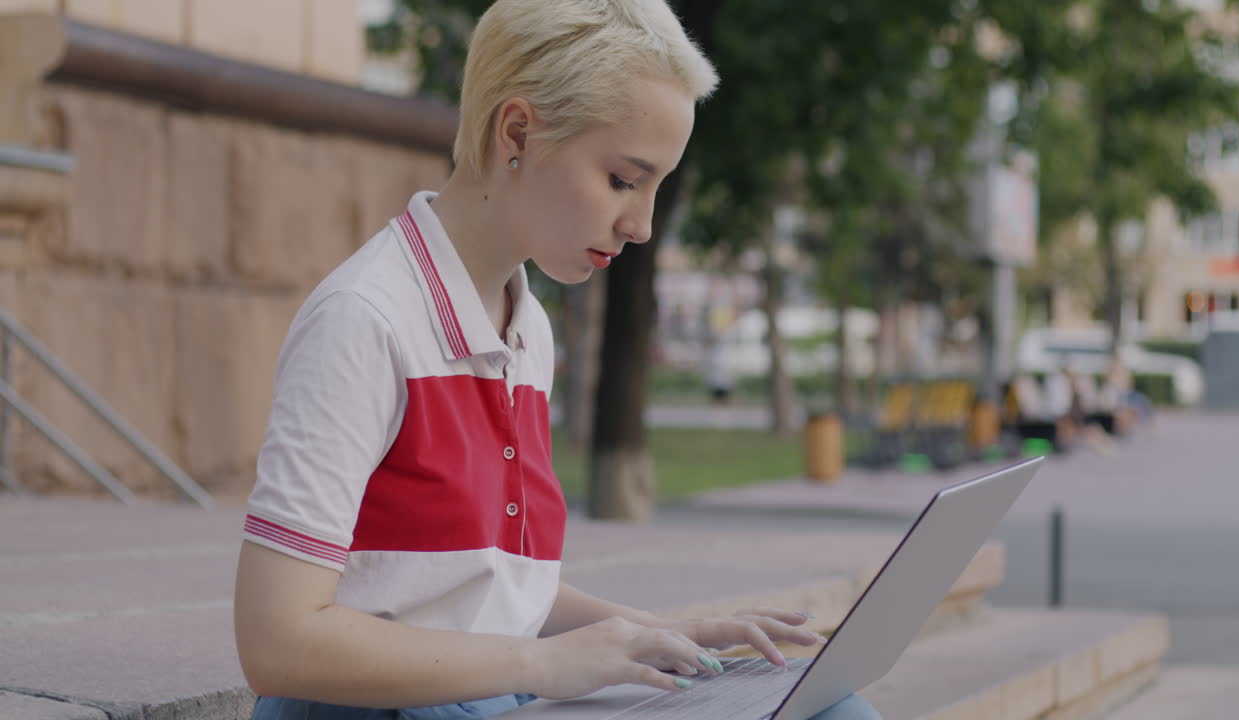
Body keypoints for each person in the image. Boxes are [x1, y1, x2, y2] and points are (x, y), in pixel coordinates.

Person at [232, 2, 882, 719]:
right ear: (517, 133)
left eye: (656, 187)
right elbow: (276, 642)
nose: (642, 226)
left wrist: (657, 634)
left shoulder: (526, 328)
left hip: (490, 699)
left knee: (827, 706)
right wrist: (544, 664)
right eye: (623, 180)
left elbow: (485, 593)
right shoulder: (363, 321)